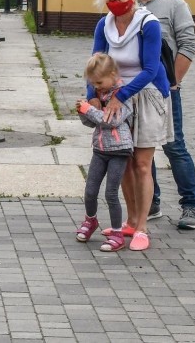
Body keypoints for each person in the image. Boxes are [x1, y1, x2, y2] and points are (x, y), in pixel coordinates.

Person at [88, 0, 172, 252]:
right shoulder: (105, 25)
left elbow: (150, 69)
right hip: (114, 96)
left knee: (142, 164)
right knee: (121, 160)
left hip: (145, 94)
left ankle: (143, 228)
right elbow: (95, 63)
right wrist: (93, 97)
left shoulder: (148, 24)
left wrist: (118, 97)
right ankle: (130, 221)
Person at [129, 0, 195, 229]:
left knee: (174, 147)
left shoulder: (173, 4)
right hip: (135, 90)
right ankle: (152, 203)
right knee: (141, 149)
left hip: (164, 89)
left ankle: (192, 206)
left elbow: (188, 45)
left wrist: (173, 82)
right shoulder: (129, 5)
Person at [75, 54, 133, 252]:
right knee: (90, 190)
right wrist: (83, 112)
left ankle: (117, 233)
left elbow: (111, 121)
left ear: (113, 75)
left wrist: (89, 111)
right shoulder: (100, 95)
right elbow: (94, 122)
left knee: (110, 193)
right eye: (94, 84)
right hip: (100, 149)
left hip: (119, 150)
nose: (97, 87)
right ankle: (90, 220)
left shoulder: (123, 95)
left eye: (99, 82)